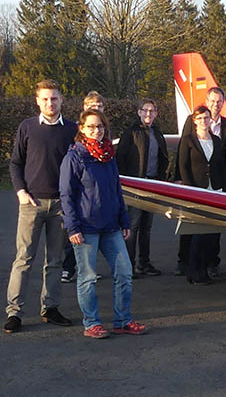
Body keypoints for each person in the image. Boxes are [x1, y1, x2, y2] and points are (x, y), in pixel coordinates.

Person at [59, 109, 146, 338]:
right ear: (81, 128)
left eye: (99, 127)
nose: (96, 131)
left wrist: (123, 219)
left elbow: (116, 190)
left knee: (125, 273)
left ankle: (123, 320)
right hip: (86, 228)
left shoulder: (108, 155)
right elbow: (66, 195)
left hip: (111, 226)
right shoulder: (74, 157)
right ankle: (92, 323)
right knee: (87, 278)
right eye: (90, 127)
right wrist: (72, 227)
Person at [4, 79, 77, 334]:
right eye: (45, 99)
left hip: (61, 205)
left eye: (54, 98)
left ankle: (51, 308)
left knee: (55, 261)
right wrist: (21, 192)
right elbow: (15, 163)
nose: (50, 103)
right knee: (23, 260)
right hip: (31, 203)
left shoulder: (71, 129)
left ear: (61, 99)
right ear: (37, 101)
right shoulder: (27, 128)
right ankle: (15, 313)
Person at [173, 87, 226, 278]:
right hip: (195, 186)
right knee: (192, 227)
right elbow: (182, 160)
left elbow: (223, 160)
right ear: (207, 102)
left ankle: (211, 263)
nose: (216, 104)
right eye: (212, 101)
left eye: (219, 101)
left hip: (215, 186)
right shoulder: (190, 129)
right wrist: (184, 183)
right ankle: (185, 263)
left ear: (223, 102)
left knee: (213, 228)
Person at [116, 98, 168, 277]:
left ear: (156, 114)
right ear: (139, 112)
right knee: (133, 226)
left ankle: (144, 263)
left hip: (152, 184)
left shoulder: (158, 133)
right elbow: (120, 158)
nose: (148, 114)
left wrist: (161, 179)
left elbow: (163, 158)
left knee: (147, 227)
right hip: (135, 186)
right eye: (145, 110)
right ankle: (128, 265)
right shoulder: (130, 133)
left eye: (152, 111)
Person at [62, 90, 106, 284]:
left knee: (92, 238)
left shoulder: (104, 132)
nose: (96, 109)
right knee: (73, 232)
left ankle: (88, 268)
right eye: (92, 106)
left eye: (99, 107)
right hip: (79, 189)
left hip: (96, 195)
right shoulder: (78, 134)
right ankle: (67, 267)